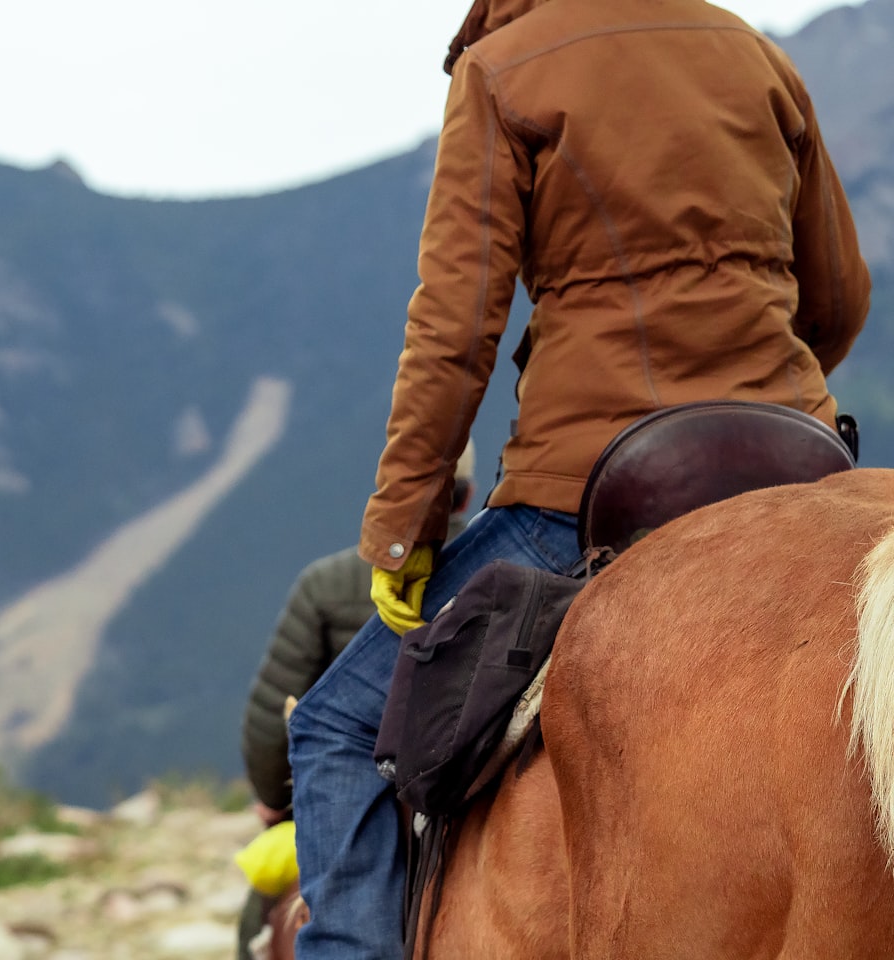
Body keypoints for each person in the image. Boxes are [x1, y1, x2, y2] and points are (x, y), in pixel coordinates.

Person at [286, 0, 871, 955]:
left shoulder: (505, 67)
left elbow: (454, 332)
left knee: (337, 733)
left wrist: (406, 528)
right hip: (794, 462)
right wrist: (755, 403)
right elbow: (837, 294)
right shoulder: (756, 54)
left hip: (593, 488)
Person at [235, 442, 476, 960]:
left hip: (363, 788)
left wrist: (275, 800)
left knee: (261, 914)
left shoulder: (326, 584)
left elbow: (271, 714)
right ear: (468, 496)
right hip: (475, 783)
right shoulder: (510, 569)